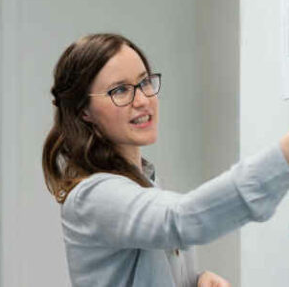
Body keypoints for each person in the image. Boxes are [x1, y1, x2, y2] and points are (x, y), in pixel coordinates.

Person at [43, 33, 289, 286]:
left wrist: (195, 280)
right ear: (84, 111)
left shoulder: (147, 183)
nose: (142, 100)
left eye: (144, 82)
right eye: (120, 90)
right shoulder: (92, 197)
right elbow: (180, 220)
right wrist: (284, 157)